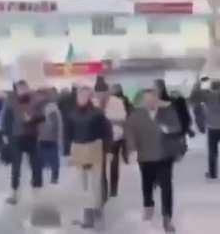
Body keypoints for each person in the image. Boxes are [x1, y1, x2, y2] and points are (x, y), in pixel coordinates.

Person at [126, 89, 183, 233]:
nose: (150, 102)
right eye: (147, 100)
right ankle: (148, 205)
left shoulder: (168, 112)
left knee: (167, 187)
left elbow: (177, 127)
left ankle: (167, 218)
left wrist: (168, 129)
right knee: (147, 184)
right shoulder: (137, 115)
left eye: (152, 99)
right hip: (146, 157)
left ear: (157, 99)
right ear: (143, 101)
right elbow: (130, 131)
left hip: (164, 156)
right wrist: (132, 149)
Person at [69, 85, 112, 230]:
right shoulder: (72, 113)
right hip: (78, 149)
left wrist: (108, 149)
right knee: (82, 185)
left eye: (85, 95)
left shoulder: (97, 113)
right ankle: (87, 215)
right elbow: (67, 133)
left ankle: (98, 211)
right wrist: (66, 152)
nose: (82, 98)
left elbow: (107, 132)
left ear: (89, 97)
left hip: (94, 148)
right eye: (80, 95)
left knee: (96, 184)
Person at [0, 80, 45, 205]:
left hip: (32, 136)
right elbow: (5, 118)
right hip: (16, 137)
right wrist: (4, 134)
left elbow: (42, 116)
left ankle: (37, 190)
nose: (23, 91)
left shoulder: (35, 100)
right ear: (17, 90)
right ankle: (14, 192)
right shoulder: (10, 101)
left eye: (25, 89)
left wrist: (33, 118)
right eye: (20, 89)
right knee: (16, 166)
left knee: (36, 164)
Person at [94, 76, 127, 198]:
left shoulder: (117, 102)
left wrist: (107, 120)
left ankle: (113, 189)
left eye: (103, 93)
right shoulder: (93, 102)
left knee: (113, 165)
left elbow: (123, 120)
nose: (101, 96)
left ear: (108, 91)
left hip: (115, 138)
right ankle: (103, 191)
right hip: (99, 139)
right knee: (100, 166)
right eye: (98, 94)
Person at [190, 77, 220, 180]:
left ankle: (212, 174)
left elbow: (194, 97)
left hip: (212, 127)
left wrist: (197, 84)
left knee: (212, 151)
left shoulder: (208, 95)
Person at [37, 89, 62, 184]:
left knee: (51, 158)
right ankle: (53, 177)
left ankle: (53, 177)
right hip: (46, 137)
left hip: (47, 137)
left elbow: (54, 123)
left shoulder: (49, 107)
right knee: (52, 158)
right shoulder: (51, 106)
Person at [58, 86, 76, 156]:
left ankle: (66, 151)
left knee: (66, 136)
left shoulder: (61, 99)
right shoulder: (74, 98)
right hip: (73, 118)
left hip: (65, 119)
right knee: (72, 135)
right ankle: (73, 150)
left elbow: (58, 107)